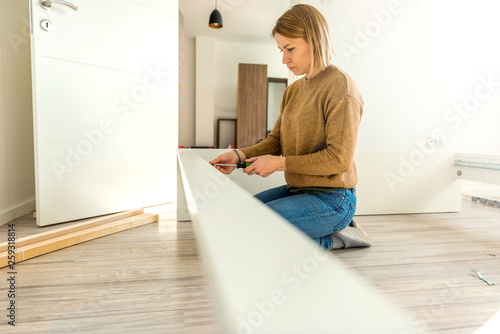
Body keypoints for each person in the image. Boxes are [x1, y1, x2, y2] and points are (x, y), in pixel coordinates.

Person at [210, 4, 370, 250]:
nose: (284, 59)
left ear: (314, 40)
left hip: (333, 199)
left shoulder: (341, 87)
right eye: (281, 50)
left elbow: (339, 160)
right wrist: (238, 155)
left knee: (251, 227)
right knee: (237, 217)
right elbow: (276, 141)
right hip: (297, 190)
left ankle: (335, 238)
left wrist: (278, 163)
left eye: (290, 49)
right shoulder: (292, 91)